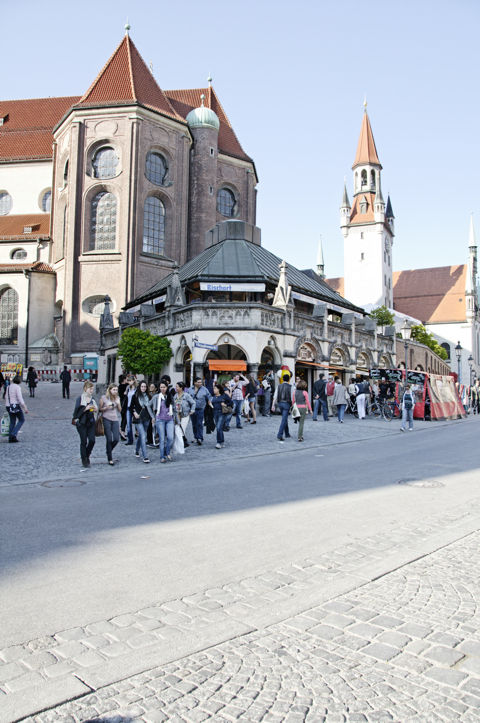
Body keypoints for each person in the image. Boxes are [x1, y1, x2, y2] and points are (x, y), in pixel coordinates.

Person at [72, 380, 97, 467]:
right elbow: (76, 412)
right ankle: (84, 459)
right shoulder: (80, 399)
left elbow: (96, 409)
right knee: (83, 441)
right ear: (85, 389)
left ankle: (87, 454)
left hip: (91, 422)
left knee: (92, 440)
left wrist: (94, 408)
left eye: (92, 389)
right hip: (82, 423)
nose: (91, 391)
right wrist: (85, 408)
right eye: (90, 389)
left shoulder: (92, 399)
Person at [149, 381, 176, 462]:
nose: (162, 389)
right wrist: (153, 417)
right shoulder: (157, 397)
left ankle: (167, 452)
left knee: (170, 438)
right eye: (161, 387)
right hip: (160, 420)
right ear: (159, 388)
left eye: (164, 387)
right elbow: (148, 406)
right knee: (162, 439)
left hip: (169, 420)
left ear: (167, 387)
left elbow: (174, 409)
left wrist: (177, 420)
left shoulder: (170, 396)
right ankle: (162, 456)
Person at [129, 381, 154, 463]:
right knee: (143, 436)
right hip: (138, 419)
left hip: (146, 418)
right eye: (142, 386)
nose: (143, 388)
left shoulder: (149, 396)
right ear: (139, 387)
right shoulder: (135, 396)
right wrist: (134, 412)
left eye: (144, 387)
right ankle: (145, 456)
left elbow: (150, 407)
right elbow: (130, 407)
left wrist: (152, 417)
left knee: (141, 436)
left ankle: (136, 450)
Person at [99, 383, 122, 465]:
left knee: (116, 439)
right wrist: (105, 408)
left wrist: (118, 403)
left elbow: (120, 410)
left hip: (115, 420)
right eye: (114, 390)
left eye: (116, 390)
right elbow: (100, 409)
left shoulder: (117, 398)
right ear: (110, 390)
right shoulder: (104, 398)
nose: (115, 391)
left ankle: (108, 451)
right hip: (106, 419)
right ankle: (110, 458)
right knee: (109, 439)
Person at [187, 377, 212, 445]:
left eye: (201, 382)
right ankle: (196, 437)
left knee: (199, 423)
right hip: (192, 409)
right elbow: (186, 398)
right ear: (194, 382)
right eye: (198, 382)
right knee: (194, 424)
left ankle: (200, 438)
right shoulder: (190, 389)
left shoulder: (204, 389)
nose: (200, 383)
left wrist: (210, 401)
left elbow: (209, 396)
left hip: (200, 409)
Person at [6, 374, 28, 443]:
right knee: (21, 419)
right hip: (15, 405)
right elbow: (19, 398)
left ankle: (10, 437)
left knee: (12, 421)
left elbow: (6, 396)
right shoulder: (17, 387)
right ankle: (13, 434)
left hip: (8, 405)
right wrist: (24, 406)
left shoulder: (8, 387)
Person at [211, 383, 232, 449]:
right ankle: (222, 442)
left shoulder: (224, 395)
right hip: (215, 412)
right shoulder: (213, 396)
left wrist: (225, 404)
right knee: (219, 428)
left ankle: (219, 442)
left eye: (215, 388)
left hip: (222, 413)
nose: (213, 390)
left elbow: (231, 402)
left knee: (218, 428)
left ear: (218, 389)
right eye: (213, 388)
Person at [272, 373, 293, 441]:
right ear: (289, 379)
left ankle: (287, 433)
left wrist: (273, 405)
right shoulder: (290, 386)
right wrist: (292, 405)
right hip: (286, 403)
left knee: (284, 418)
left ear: (283, 379)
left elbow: (275, 396)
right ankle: (280, 434)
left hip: (280, 403)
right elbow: (292, 397)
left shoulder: (279, 386)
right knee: (284, 419)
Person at [124, 376, 137, 445]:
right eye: (128, 381)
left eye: (130, 381)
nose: (129, 382)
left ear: (133, 381)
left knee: (137, 423)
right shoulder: (128, 388)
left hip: (134, 407)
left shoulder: (136, 389)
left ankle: (139, 437)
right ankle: (130, 439)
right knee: (129, 424)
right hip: (128, 407)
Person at [146, 382, 159, 447]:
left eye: (152, 387)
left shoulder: (157, 395)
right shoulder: (148, 394)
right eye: (150, 387)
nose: (150, 388)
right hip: (148, 412)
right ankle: (149, 439)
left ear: (156, 388)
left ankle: (153, 440)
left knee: (153, 427)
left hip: (154, 413)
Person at [118, 374, 128, 440]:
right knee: (125, 418)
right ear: (124, 380)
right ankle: (122, 430)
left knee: (124, 418)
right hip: (124, 404)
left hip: (121, 403)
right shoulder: (124, 386)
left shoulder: (120, 386)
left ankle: (122, 430)